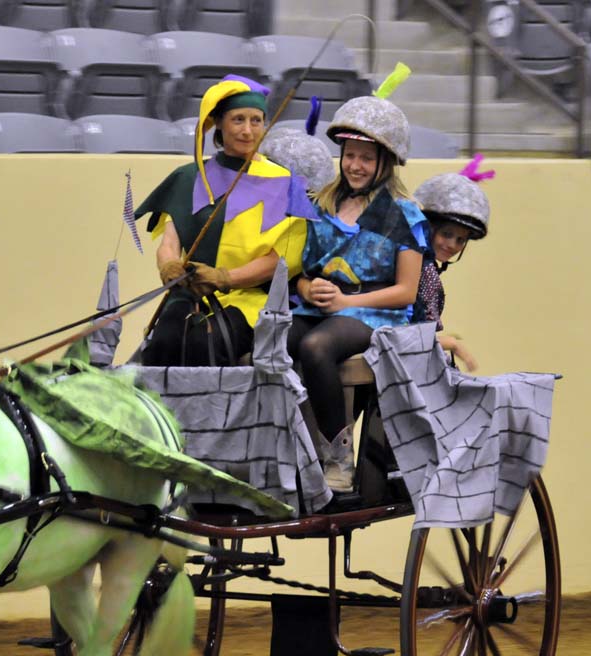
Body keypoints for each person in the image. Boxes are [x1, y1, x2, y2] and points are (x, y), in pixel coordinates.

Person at [288, 72, 427, 492]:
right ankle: (288, 446)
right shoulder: (322, 204)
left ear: (385, 162)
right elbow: (301, 272)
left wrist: (346, 303)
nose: (355, 165)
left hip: (373, 313)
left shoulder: (402, 214)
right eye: (350, 155)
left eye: (366, 158)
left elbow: (406, 291)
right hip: (319, 306)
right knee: (271, 339)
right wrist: (307, 289)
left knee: (316, 347)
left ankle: (338, 457)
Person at [135, 75, 312, 366]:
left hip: (252, 301)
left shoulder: (285, 183)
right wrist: (169, 267)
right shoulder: (189, 178)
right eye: (238, 120)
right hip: (191, 292)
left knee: (203, 342)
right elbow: (170, 242)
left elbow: (279, 260)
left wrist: (224, 278)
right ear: (219, 122)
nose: (247, 130)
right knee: (163, 342)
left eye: (256, 121)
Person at [411, 154, 494, 373]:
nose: (452, 245)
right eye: (446, 234)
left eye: (460, 240)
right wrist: (453, 344)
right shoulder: (425, 272)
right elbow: (411, 340)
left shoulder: (419, 263)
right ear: (429, 227)